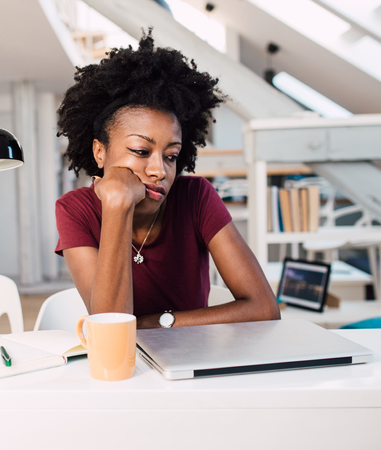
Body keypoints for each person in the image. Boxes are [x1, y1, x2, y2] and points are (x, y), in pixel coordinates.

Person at [54, 30, 280, 329]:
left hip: (193, 358)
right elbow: (112, 328)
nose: (159, 170)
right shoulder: (75, 209)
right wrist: (117, 204)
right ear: (99, 151)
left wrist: (155, 322)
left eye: (171, 156)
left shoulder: (196, 196)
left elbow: (264, 309)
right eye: (140, 150)